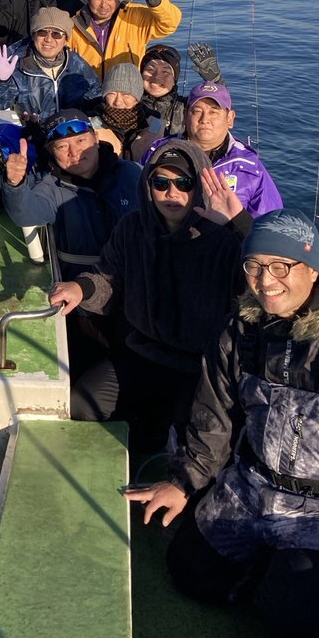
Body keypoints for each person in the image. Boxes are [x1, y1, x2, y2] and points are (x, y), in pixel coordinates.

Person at [127, 210, 319, 638]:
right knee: (190, 573)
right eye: (254, 265)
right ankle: (274, 566)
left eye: (281, 265)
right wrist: (184, 480)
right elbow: (214, 415)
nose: (265, 280)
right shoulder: (239, 330)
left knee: (295, 622)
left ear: (312, 269)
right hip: (253, 484)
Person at [49, 140, 251, 450]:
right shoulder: (132, 228)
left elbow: (264, 281)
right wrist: (81, 288)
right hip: (142, 353)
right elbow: (108, 278)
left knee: (191, 440)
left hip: (201, 368)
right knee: (80, 404)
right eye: (161, 183)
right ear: (148, 185)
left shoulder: (224, 241)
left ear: (200, 185)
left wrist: (239, 224)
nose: (172, 193)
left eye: (184, 183)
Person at [2, 109, 140, 281]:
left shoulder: (132, 174)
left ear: (96, 139)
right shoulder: (51, 187)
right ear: (51, 151)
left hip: (136, 274)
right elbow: (25, 214)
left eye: (81, 140)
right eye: (62, 146)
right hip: (81, 282)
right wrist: (15, 184)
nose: (74, 152)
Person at [142, 81, 283, 217]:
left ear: (230, 118)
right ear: (184, 115)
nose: (204, 119)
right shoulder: (158, 152)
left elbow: (270, 221)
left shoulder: (250, 166)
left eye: (213, 112)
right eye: (197, 111)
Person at [0, 7, 101, 120]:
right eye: (42, 32)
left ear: (65, 40)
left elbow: (95, 100)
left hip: (70, 132)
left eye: (57, 34)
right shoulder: (16, 65)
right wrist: (1, 82)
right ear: (33, 36)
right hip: (30, 133)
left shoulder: (78, 65)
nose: (48, 39)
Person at [69, 0, 182, 82]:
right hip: (86, 91)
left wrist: (159, 5)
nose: (104, 4)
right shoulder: (74, 24)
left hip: (127, 90)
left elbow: (170, 25)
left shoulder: (135, 15)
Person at [91, 62, 163, 161]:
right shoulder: (90, 125)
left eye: (126, 94)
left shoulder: (156, 124)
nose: (118, 102)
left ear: (137, 97)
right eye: (111, 94)